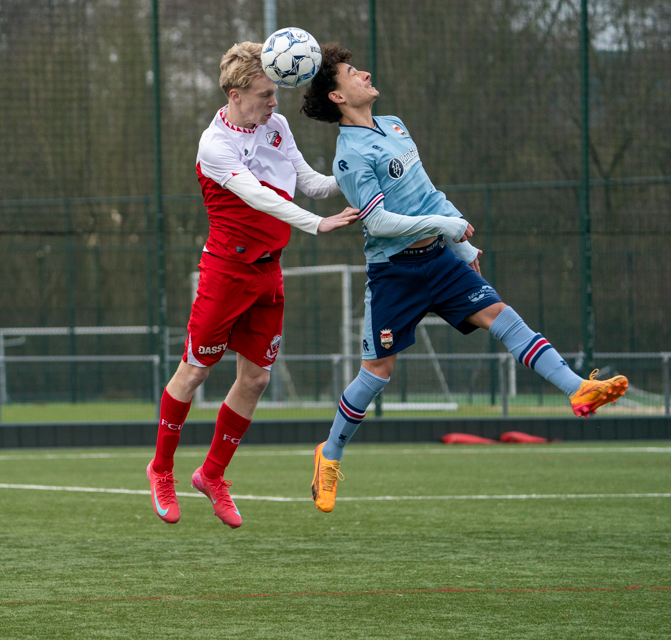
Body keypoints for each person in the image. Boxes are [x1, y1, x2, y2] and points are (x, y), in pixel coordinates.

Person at [299, 43, 629, 513]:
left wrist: (462, 243)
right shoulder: (349, 157)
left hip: (440, 261)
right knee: (377, 374)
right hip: (394, 275)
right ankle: (329, 454)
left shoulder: (395, 126)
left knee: (502, 315)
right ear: (337, 96)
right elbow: (379, 224)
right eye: (353, 72)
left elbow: (430, 195)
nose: (365, 73)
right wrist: (443, 226)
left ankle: (578, 389)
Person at [146, 42, 359, 528]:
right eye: (265, 94)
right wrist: (317, 225)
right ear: (235, 93)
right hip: (225, 273)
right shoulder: (214, 145)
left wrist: (357, 170)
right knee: (195, 372)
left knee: (257, 378)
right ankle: (161, 469)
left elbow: (313, 183)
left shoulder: (277, 127)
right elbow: (259, 198)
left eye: (276, 93)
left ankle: (212, 475)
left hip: (268, 271)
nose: (275, 102)